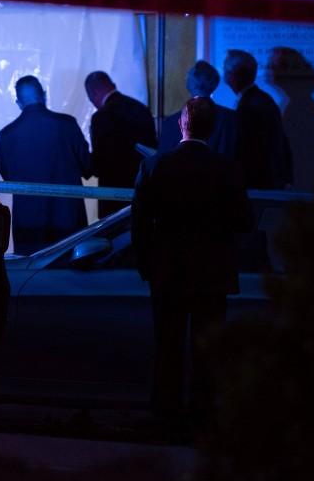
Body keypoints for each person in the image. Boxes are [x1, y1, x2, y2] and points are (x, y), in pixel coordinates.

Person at [131, 96, 254, 437]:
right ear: (212, 128)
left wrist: (146, 265)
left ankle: (165, 414)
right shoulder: (227, 168)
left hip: (167, 271)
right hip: (212, 272)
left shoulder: (155, 166)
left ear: (181, 124)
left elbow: (139, 222)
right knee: (206, 348)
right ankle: (201, 415)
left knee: (167, 346)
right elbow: (244, 221)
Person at [0, 75, 92, 254]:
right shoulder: (67, 124)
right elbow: (87, 166)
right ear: (44, 94)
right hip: (69, 222)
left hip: (29, 227)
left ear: (18, 103)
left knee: (32, 277)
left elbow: (7, 176)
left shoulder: (8, 134)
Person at [84, 71, 157, 218]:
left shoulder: (101, 117)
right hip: (143, 187)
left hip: (113, 193)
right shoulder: (140, 108)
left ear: (93, 92)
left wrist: (85, 167)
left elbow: (100, 160)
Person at [222, 49, 294, 190]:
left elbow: (251, 151)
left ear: (234, 75)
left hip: (257, 185)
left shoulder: (252, 106)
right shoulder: (261, 99)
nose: (223, 72)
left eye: (225, 68)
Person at [157, 60, 238, 157]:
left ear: (194, 84)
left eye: (189, 75)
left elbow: (163, 159)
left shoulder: (173, 122)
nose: (186, 76)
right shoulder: (230, 117)